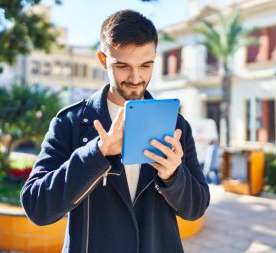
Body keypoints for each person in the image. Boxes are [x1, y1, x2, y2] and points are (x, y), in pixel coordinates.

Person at [21, 9, 210, 253]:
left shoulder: (176, 124)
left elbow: (196, 208)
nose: (135, 77)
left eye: (145, 65)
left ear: (155, 57)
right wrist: (97, 154)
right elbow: (37, 207)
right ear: (103, 60)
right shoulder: (70, 123)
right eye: (122, 65)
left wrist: (174, 177)